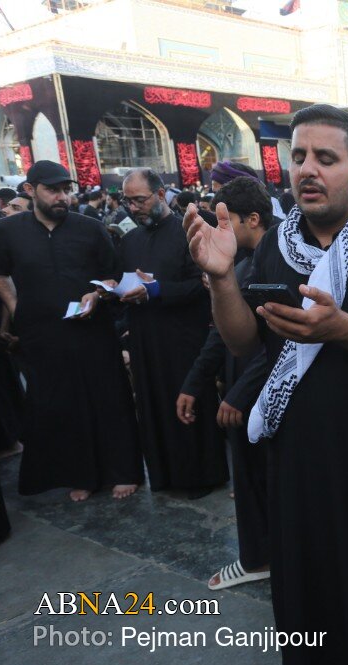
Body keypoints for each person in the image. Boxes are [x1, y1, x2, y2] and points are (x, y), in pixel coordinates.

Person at [183, 104, 348, 665]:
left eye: (326, 157)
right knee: (305, 599)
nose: (307, 169)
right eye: (298, 156)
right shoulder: (277, 243)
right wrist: (222, 279)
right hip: (294, 458)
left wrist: (340, 329)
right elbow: (246, 341)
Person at [0, 161, 141, 502]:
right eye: (52, 190)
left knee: (109, 398)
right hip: (41, 335)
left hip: (93, 331)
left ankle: (122, 472)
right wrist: (15, 306)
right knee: (61, 403)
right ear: (30, 190)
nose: (62, 197)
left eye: (66, 190)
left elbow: (113, 275)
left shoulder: (90, 228)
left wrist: (98, 293)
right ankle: (80, 475)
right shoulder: (6, 231)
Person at [177, 178, 274, 590]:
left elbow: (280, 342)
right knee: (249, 478)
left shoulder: (276, 261)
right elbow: (222, 333)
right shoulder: (242, 262)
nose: (221, 232)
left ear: (252, 219)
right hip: (241, 385)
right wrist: (194, 382)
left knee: (266, 479)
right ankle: (259, 554)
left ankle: (263, 557)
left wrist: (240, 394)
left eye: (226, 222)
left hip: (262, 391)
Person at [108, 168, 228, 497]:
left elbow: (202, 286)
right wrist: (115, 288)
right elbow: (125, 278)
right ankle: (163, 475)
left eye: (140, 200)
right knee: (153, 406)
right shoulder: (130, 240)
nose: (134, 208)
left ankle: (199, 476)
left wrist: (158, 289)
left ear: (161, 194)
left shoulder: (189, 233)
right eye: (128, 201)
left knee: (188, 404)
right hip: (144, 338)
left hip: (183, 338)